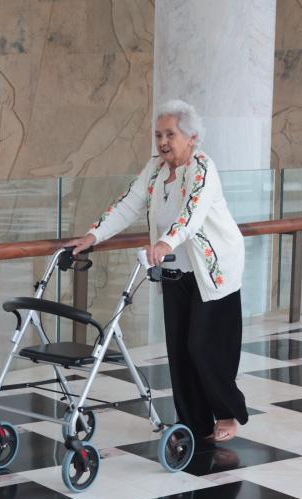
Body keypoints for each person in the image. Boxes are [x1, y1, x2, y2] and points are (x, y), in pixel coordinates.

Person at [66, 99, 248, 443]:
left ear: (191, 137)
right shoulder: (154, 169)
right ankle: (194, 421)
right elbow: (128, 204)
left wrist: (165, 243)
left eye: (170, 134)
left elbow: (190, 215)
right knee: (179, 348)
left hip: (213, 272)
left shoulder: (203, 169)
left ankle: (227, 411)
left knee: (203, 346)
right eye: (158, 135)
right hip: (175, 271)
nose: (163, 142)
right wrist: (94, 235)